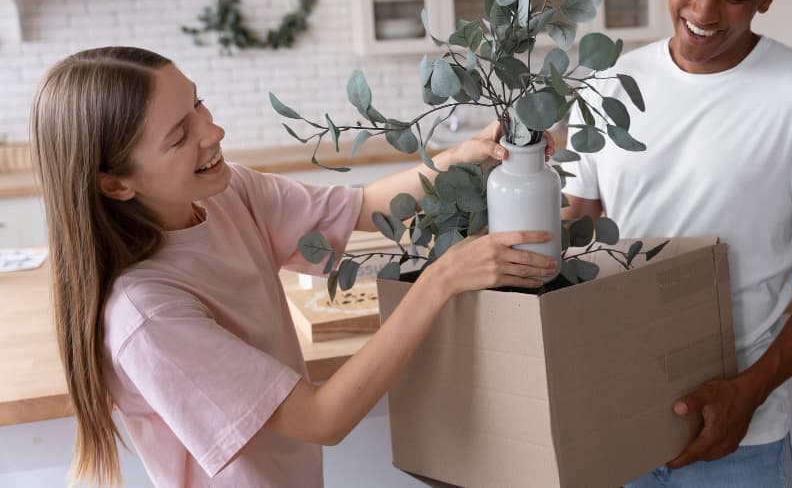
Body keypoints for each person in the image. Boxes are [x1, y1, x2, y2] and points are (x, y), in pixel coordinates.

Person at [30, 46, 557, 487]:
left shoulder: (224, 191)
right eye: (178, 136)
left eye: (199, 104)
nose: (212, 131)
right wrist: (441, 281)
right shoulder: (147, 314)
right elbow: (322, 417)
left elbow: (361, 207)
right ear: (117, 183)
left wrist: (462, 157)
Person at [561, 0, 792, 487]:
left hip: (736, 436)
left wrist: (749, 391)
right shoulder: (606, 86)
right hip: (606, 421)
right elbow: (578, 227)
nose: (703, 9)